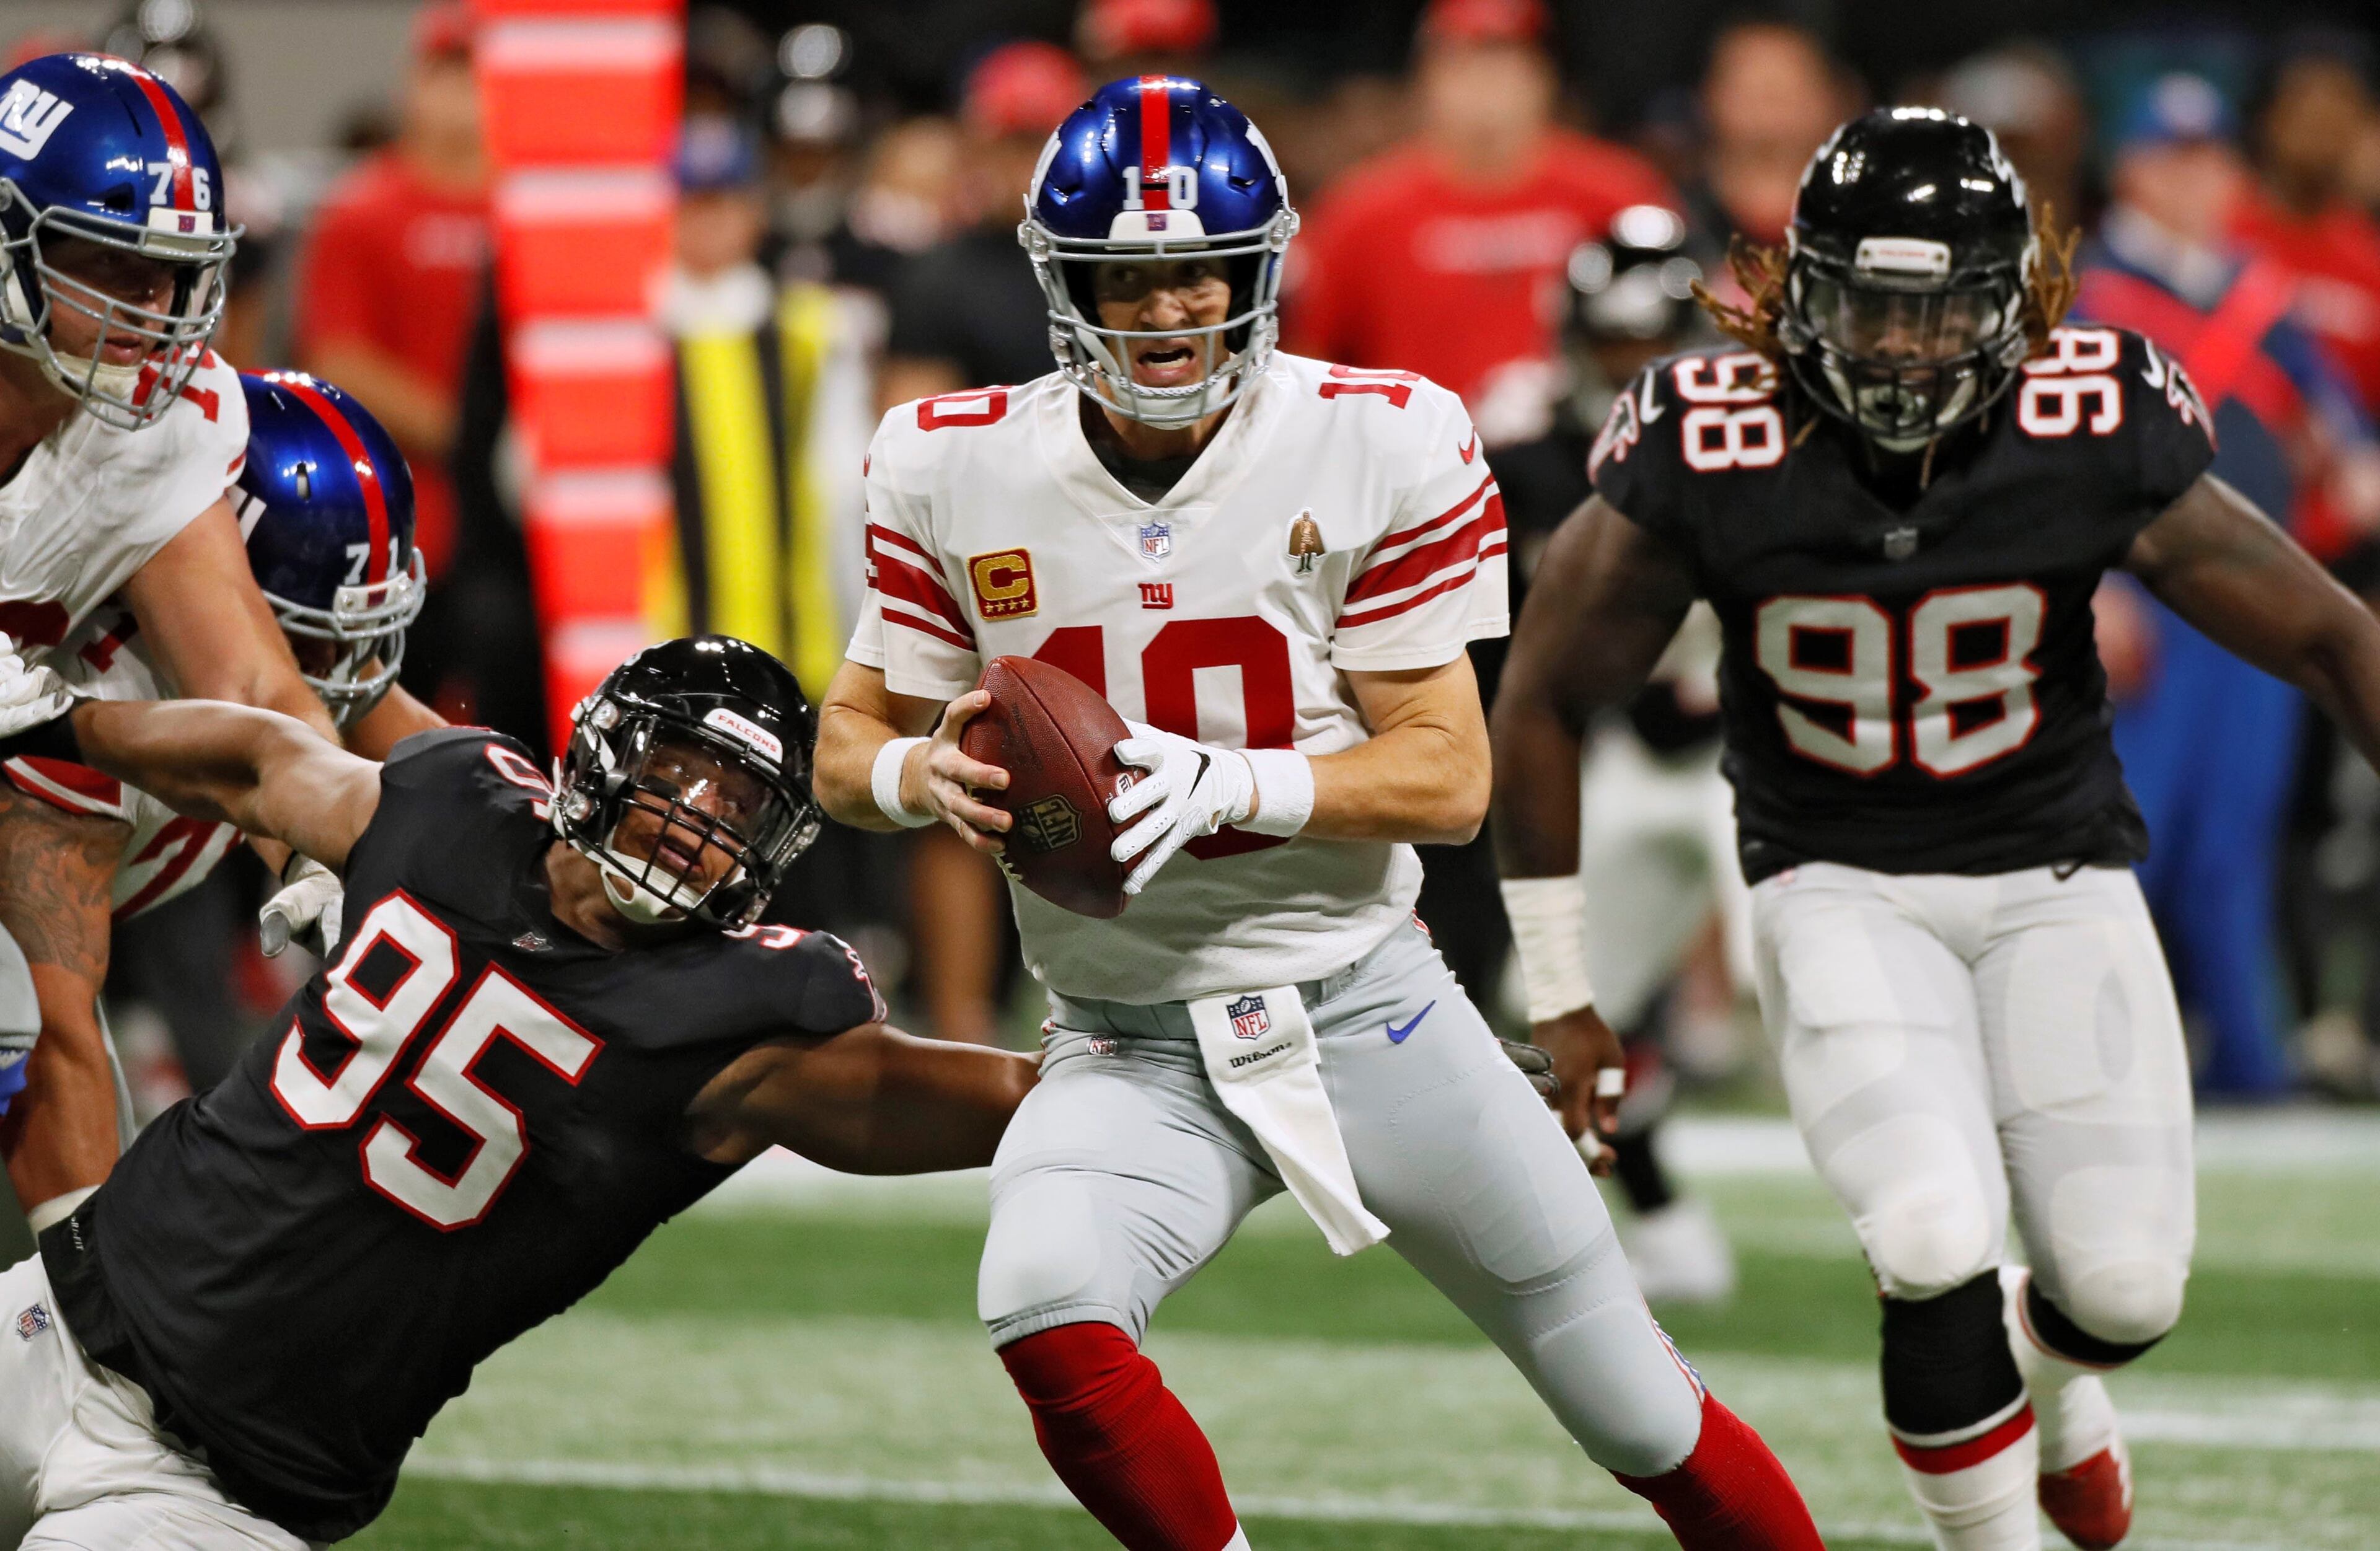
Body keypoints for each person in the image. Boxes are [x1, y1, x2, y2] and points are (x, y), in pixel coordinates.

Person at [815, 76, 1823, 1551]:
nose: (1168, 309)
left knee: (1635, 1408)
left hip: (1366, 1006)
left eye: (1199, 270)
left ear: (1260, 269)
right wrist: (920, 776)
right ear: (1061, 283)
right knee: (1043, 1301)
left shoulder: (1375, 436)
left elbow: (1449, 778)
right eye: (1126, 277)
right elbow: (846, 744)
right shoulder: (950, 461)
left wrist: (1232, 781)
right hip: (1127, 1034)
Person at [1490, 107, 2380, 1551]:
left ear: (2013, 305)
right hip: (1835, 878)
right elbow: (1540, 697)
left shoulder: (2088, 418)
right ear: (1800, 297)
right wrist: (1562, 987)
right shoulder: (1713, 438)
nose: (1904, 349)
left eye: (1941, 310)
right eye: (1870, 307)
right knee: (1923, 1235)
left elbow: (2336, 639)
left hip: (2056, 873)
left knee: (2123, 1295)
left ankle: (2054, 1376)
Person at [0, 634, 1038, 1548]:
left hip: (213, 1492)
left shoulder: (738, 1023)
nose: (699, 820)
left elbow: (994, 1096)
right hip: (54, 1321)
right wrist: (60, 721)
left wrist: (1122, 1055)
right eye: (682, 772)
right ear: (608, 750)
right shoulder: (457, 807)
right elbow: (263, 760)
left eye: (740, 805)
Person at [0, 53, 338, 1234]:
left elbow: (245, 679)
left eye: (170, 274)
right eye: (108, 263)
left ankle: (72, 1313)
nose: (150, 308)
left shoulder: (151, 425)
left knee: (31, 971)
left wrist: (332, 854)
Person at [1, 371, 445, 1131]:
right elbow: (57, 1045)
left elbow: (442, 766)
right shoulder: (96, 712)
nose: (340, 671)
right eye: (308, 637)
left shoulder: (301, 672)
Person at [2075, 74, 2380, 1099]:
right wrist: (2088, 587)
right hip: (2144, 610)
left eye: (2212, 160)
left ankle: (2247, 1063)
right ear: (2132, 170)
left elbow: (2344, 439)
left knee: (2236, 837)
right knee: (2132, 833)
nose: (2197, 181)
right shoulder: (2087, 291)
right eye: (2175, 159)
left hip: (2256, 599)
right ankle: (2099, 1059)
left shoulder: (2260, 293)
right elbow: (2043, 461)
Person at [1486, 206, 1742, 1304]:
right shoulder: (1528, 458)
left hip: (1761, 753)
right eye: (1614, 342)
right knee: (1554, 999)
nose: (1634, 367)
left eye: (1653, 343)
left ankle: (1936, 1225)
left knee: (1808, 982)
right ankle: (1660, 1217)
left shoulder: (1765, 448)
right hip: (1628, 753)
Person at [1285, 0, 1673, 439]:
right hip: (1412, 466)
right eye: (1464, 65)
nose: (1486, 87)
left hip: (1588, 455)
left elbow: (1678, 340)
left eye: (1506, 64)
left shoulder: (1618, 197)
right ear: (1425, 80)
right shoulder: (1361, 213)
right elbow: (1309, 368)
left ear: (1545, 77)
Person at [293, 1, 485, 662]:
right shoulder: (361, 211)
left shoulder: (530, 215)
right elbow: (338, 359)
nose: (465, 93)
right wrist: (473, 433)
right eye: (448, 72)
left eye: (477, 72)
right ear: (415, 81)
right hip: (401, 520)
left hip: (509, 536)